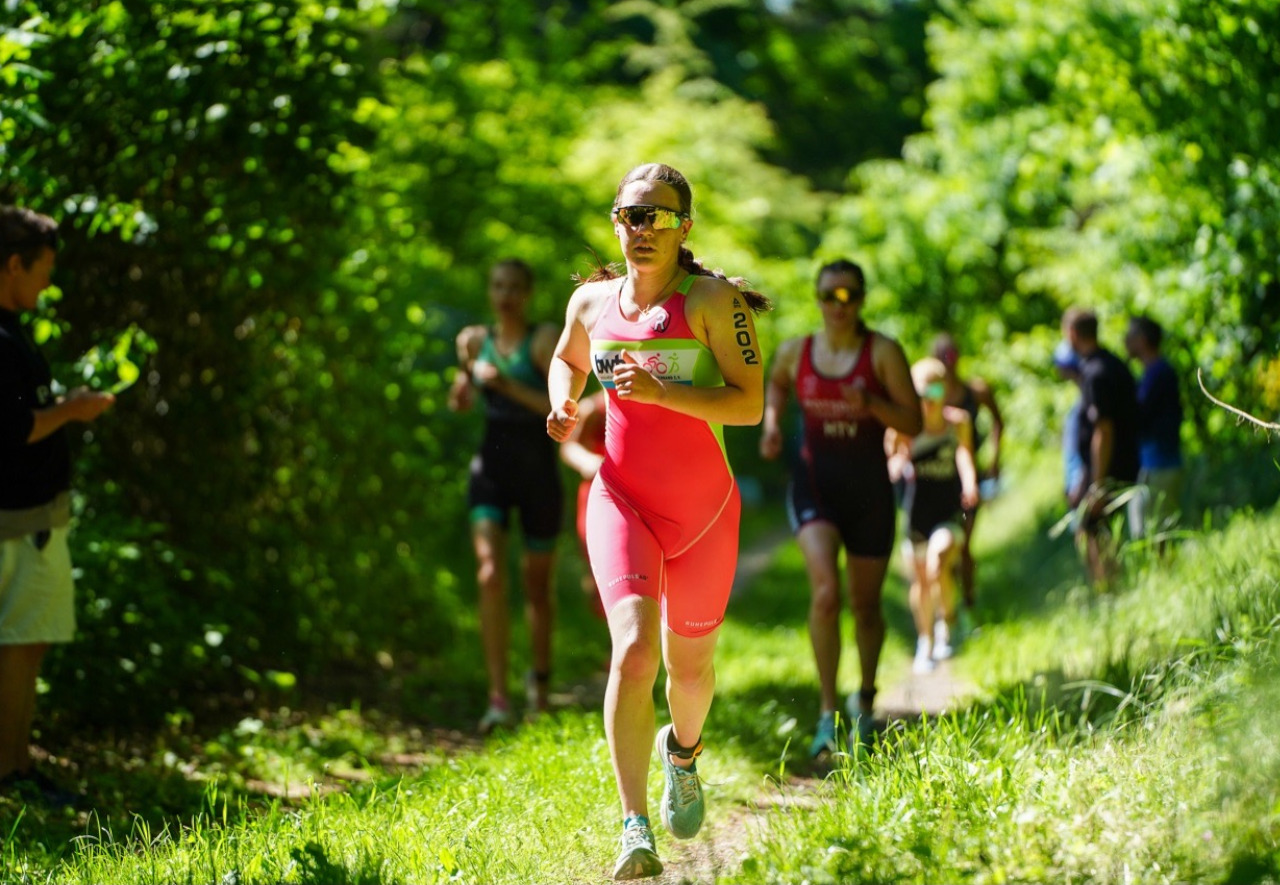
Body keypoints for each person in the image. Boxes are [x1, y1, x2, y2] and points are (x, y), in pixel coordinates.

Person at [545, 163, 768, 881]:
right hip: (621, 499)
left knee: (689, 669)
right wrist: (562, 402)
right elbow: (566, 359)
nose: (643, 229)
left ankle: (685, 752)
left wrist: (667, 391)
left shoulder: (711, 301)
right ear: (615, 221)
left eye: (659, 217)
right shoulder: (590, 302)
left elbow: (749, 405)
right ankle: (633, 826)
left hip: (704, 515)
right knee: (634, 650)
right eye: (632, 215)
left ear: (684, 229)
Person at [759, 259, 921, 762]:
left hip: (869, 492)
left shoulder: (883, 353)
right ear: (818, 298)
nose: (838, 306)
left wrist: (871, 402)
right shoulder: (796, 351)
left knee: (866, 606)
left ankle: (866, 703)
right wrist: (771, 423)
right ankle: (828, 714)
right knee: (827, 593)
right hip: (815, 486)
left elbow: (914, 421)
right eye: (829, 296)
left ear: (862, 300)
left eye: (848, 296)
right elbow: (777, 382)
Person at [0, 206, 115, 802]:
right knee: (18, 642)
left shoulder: (14, 329)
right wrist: (72, 410)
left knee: (28, 642)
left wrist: (64, 402)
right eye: (43, 268)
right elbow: (12, 428)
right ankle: (10, 773)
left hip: (34, 519)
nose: (48, 281)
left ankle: (17, 765)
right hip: (18, 522)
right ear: (13, 264)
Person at [447, 258, 562, 734]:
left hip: (538, 474)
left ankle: (538, 684)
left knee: (536, 585)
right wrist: (463, 391)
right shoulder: (474, 340)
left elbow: (560, 409)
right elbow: (463, 394)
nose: (506, 294)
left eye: (515, 286)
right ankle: (497, 697)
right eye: (498, 285)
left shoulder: (543, 340)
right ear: (489, 290)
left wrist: (508, 385)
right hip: (490, 471)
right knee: (490, 573)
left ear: (529, 292)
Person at [886, 358, 979, 675]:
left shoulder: (958, 422)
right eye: (921, 390)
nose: (928, 397)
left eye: (935, 389)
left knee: (939, 559)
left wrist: (970, 483)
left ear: (945, 390)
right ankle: (925, 642)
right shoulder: (903, 427)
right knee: (922, 580)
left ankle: (948, 622)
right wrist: (897, 465)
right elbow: (892, 459)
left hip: (948, 511)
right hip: (916, 515)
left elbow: (964, 454)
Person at [1064, 308, 1139, 585]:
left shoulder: (1095, 372)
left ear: (1072, 333)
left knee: (1092, 530)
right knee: (1096, 530)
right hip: (1122, 461)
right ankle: (1110, 587)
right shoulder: (1114, 363)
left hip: (1109, 468)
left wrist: (1097, 485)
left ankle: (1109, 589)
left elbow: (1104, 431)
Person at [930, 333, 1003, 613]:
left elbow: (999, 422)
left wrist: (995, 459)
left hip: (970, 477)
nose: (948, 363)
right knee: (945, 548)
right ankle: (947, 606)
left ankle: (969, 604)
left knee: (965, 545)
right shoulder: (934, 394)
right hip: (938, 479)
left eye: (952, 356)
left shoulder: (976, 390)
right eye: (942, 357)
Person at [1123, 315, 1184, 539]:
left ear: (1142, 339)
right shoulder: (1150, 374)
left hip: (1163, 464)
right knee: (1147, 529)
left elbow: (1141, 417)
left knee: (1159, 532)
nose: (1125, 341)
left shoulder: (1160, 373)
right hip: (1152, 464)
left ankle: (1167, 572)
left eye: (1130, 335)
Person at [559, 388, 607, 619]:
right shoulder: (595, 409)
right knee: (597, 570)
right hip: (597, 495)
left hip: (637, 496)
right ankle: (612, 644)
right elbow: (569, 446)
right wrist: (590, 462)